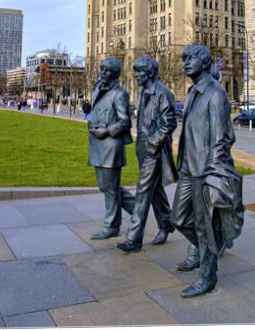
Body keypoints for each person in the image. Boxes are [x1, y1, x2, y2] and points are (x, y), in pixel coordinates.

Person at [171, 45, 244, 298]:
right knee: (179, 218)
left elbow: (223, 138)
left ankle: (207, 276)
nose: (186, 63)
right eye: (185, 59)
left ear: (203, 62)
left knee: (204, 227)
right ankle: (212, 247)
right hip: (189, 168)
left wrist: (212, 172)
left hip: (205, 170)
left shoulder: (215, 94)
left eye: (191, 59)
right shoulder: (192, 92)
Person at [117, 55, 177, 253]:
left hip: (155, 149)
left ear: (150, 72)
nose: (136, 76)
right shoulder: (143, 93)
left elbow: (169, 123)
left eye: (139, 72)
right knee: (155, 190)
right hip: (143, 147)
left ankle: (134, 239)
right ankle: (166, 223)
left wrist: (153, 142)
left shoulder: (162, 93)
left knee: (143, 191)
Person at [88, 57, 135, 239]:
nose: (103, 73)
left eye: (107, 70)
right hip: (98, 145)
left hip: (110, 146)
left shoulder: (119, 94)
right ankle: (139, 211)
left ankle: (111, 226)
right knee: (107, 187)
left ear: (115, 73)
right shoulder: (98, 89)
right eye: (102, 69)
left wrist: (107, 130)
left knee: (110, 188)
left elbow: (125, 122)